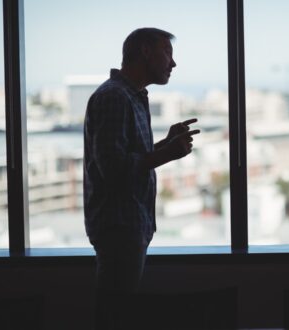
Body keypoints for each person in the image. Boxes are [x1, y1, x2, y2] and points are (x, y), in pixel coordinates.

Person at [83, 27, 199, 329]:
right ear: (146, 51)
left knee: (119, 311)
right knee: (115, 315)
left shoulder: (130, 96)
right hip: (119, 226)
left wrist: (165, 144)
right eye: (168, 54)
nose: (173, 64)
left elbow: (129, 157)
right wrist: (168, 154)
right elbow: (113, 169)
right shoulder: (114, 97)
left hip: (127, 225)